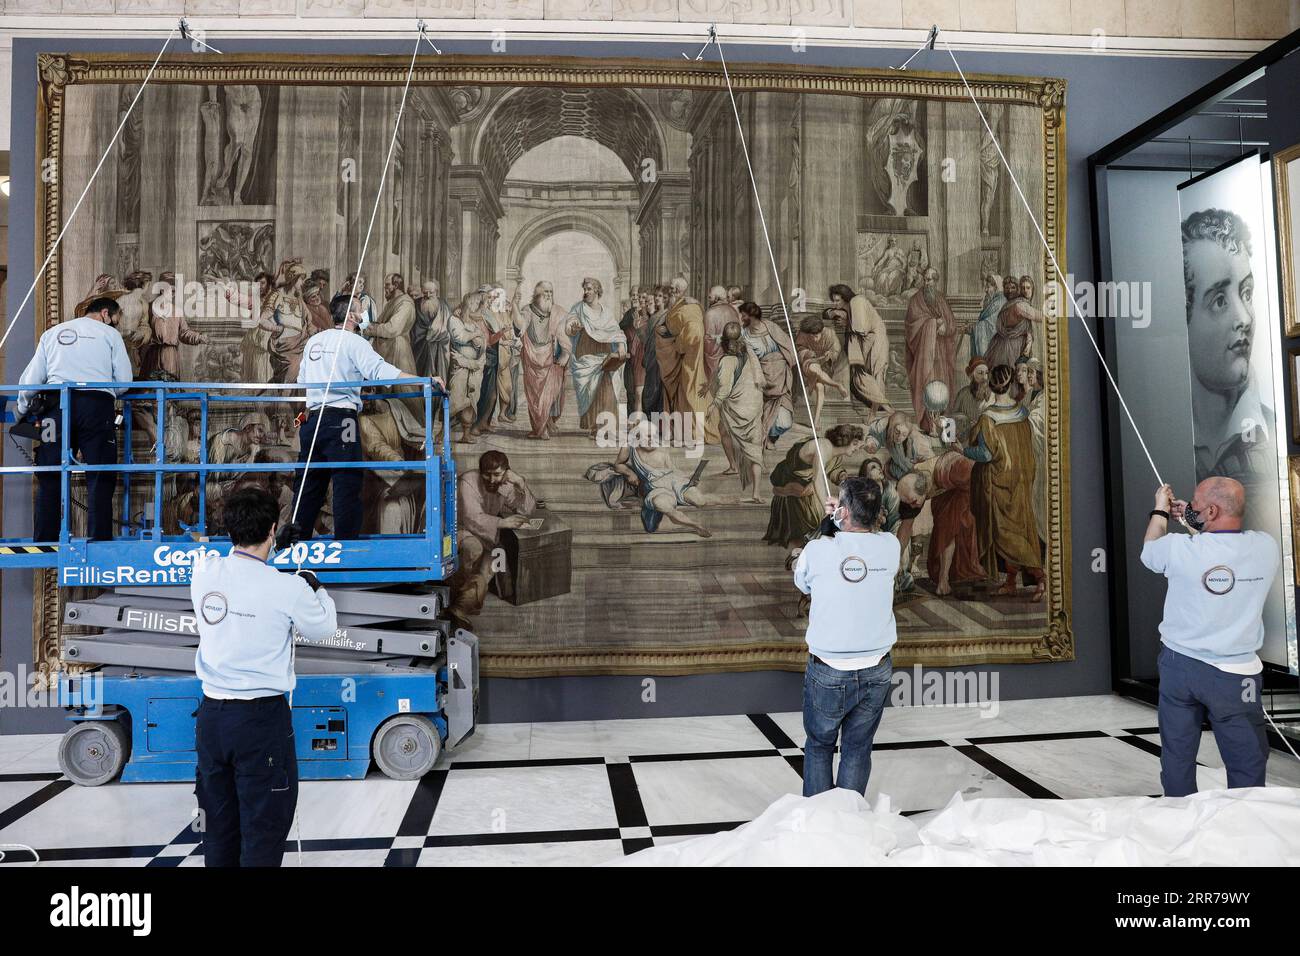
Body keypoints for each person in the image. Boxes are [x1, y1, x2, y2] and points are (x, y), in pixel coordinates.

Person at [192, 487, 338, 867]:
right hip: (260, 721)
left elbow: (238, 566)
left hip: (212, 720)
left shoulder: (204, 572)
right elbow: (324, 627)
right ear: (273, 528)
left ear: (229, 530)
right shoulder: (287, 587)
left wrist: (272, 546)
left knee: (218, 824)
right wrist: (313, 583)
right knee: (264, 824)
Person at [1141, 478, 1279, 796]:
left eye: (1196, 504)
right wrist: (1192, 520)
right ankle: (1244, 819)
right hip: (1236, 676)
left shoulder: (1178, 549)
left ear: (1212, 510)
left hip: (1180, 666)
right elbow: (1217, 552)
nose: (1190, 507)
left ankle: (1179, 811)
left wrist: (1160, 510)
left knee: (1177, 754)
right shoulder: (1265, 546)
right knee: (1247, 757)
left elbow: (1151, 552)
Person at [792, 476, 900, 796]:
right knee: (857, 748)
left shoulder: (817, 549)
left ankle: (820, 825)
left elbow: (803, 583)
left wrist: (829, 528)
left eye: (840, 503)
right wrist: (841, 521)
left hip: (829, 669)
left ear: (844, 511)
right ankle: (848, 824)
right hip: (876, 667)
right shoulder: (891, 546)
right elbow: (867, 541)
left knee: (820, 745)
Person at [288, 293, 423, 541]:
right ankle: (346, 546)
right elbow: (379, 371)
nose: (364, 316)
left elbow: (303, 381)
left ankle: (297, 542)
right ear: (351, 316)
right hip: (342, 420)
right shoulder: (355, 342)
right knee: (347, 480)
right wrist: (421, 381)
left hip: (313, 420)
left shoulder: (314, 342)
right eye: (361, 311)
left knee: (309, 482)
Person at [19, 296, 133, 541]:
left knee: (50, 472)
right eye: (115, 320)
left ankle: (45, 541)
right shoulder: (110, 335)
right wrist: (107, 388)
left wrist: (22, 409)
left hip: (55, 408)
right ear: (105, 313)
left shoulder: (52, 334)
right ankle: (98, 539)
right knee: (100, 473)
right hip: (97, 408)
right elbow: (125, 381)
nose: (115, 324)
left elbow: (30, 381)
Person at [448, 450, 537, 627]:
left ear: (506, 472)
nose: (491, 480)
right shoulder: (468, 481)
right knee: (474, 549)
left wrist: (520, 483)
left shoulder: (505, 484)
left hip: (487, 534)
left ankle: (460, 608)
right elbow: (470, 517)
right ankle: (451, 597)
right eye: (487, 474)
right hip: (458, 531)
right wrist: (503, 523)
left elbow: (527, 511)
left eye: (497, 474)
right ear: (480, 471)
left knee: (494, 559)